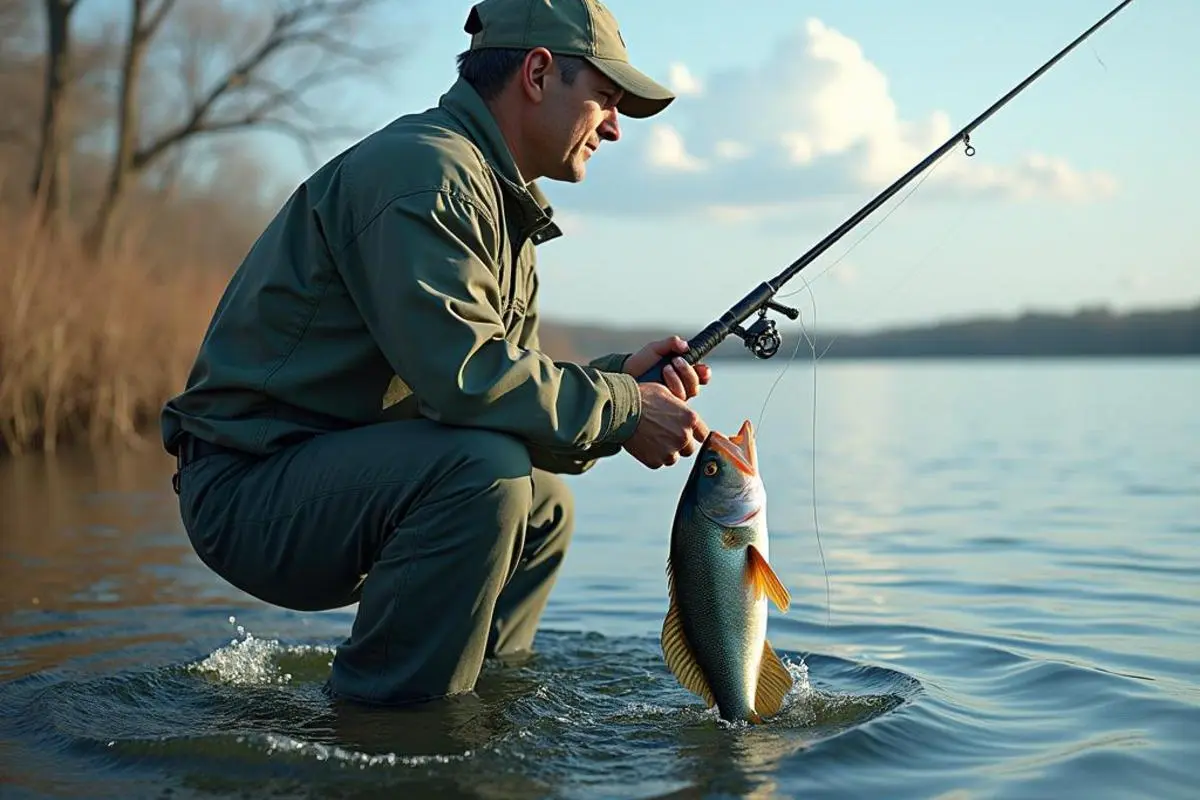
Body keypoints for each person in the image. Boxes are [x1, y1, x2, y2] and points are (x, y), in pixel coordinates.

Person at [161, 0, 712, 708]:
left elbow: (497, 397)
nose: (613, 126)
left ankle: (483, 704)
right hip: (247, 489)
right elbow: (467, 381)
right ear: (538, 74)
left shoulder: (496, 200)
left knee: (542, 505)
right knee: (484, 475)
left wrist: (617, 385)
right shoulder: (427, 174)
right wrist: (624, 409)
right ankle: (396, 725)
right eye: (605, 98)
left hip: (327, 474)